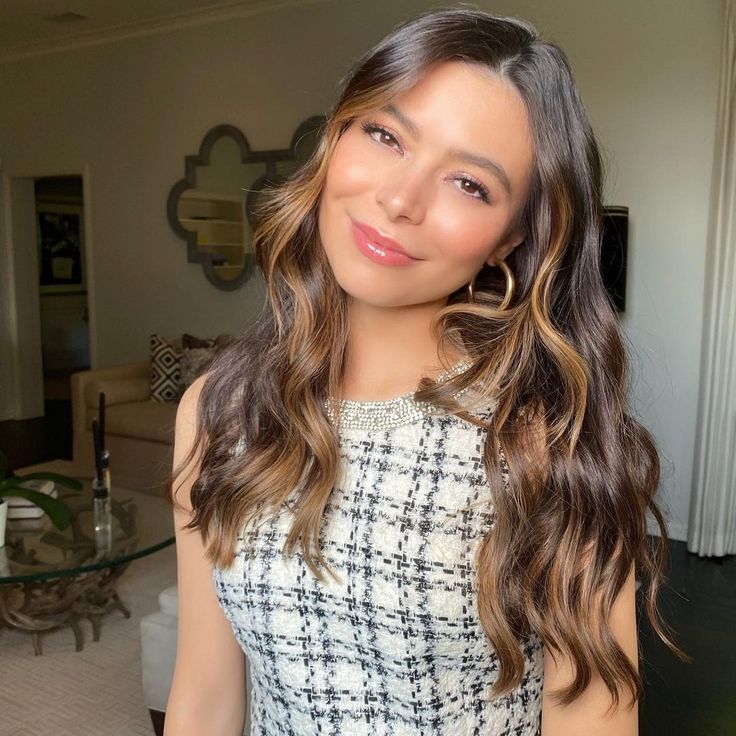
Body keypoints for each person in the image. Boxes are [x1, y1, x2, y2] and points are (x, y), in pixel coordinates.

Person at [163, 8, 681, 735]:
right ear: (337, 135)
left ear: (512, 236)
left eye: (469, 184)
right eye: (384, 135)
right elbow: (205, 698)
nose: (400, 201)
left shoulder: (546, 443)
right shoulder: (218, 412)